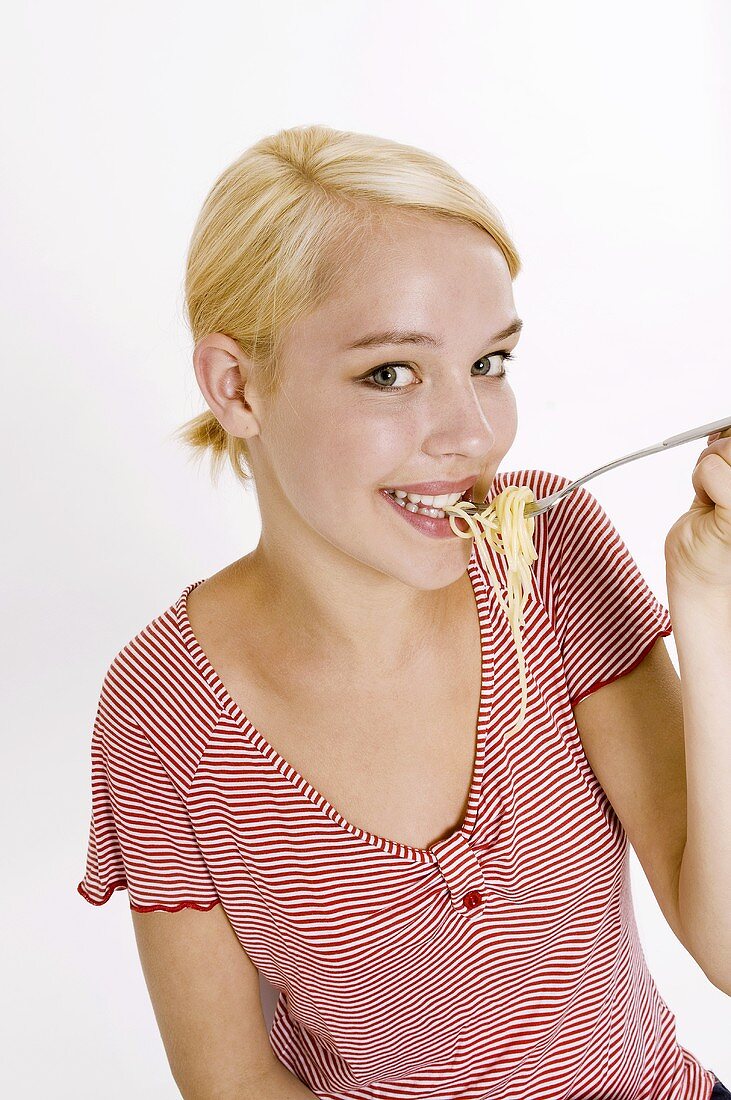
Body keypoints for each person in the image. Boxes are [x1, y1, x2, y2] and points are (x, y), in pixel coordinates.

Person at [77, 124, 726, 1099]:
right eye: (390, 372)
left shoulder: (544, 559)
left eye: (490, 362)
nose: (470, 433)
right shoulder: (163, 709)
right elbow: (232, 1081)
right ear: (236, 386)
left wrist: (711, 613)